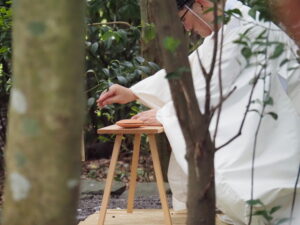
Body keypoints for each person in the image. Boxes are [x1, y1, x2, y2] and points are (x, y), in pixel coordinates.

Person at [97, 0, 300, 224]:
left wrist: (168, 114)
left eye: (183, 19)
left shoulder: (246, 30)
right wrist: (133, 92)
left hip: (279, 125)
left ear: (201, 4)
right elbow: (192, 69)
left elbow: (213, 89)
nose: (185, 28)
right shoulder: (227, 26)